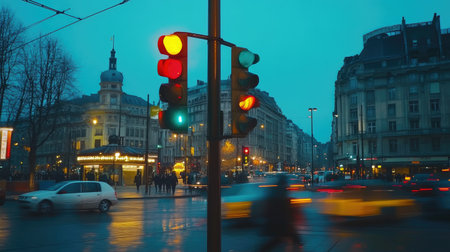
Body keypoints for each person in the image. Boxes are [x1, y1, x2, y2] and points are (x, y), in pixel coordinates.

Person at [258, 174, 303, 251]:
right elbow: (286, 207)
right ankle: (300, 245)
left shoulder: (274, 190)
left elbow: (269, 206)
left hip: (276, 220)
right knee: (282, 237)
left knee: (276, 240)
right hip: (282, 221)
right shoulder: (283, 191)